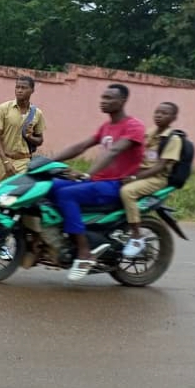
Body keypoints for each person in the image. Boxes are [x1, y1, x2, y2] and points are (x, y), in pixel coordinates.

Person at [49, 83, 145, 281]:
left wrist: (88, 174)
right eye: (103, 97)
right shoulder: (106, 127)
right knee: (50, 185)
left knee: (66, 194)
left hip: (115, 184)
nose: (103, 101)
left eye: (109, 98)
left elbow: (114, 151)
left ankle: (84, 252)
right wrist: (48, 162)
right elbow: (81, 146)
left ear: (122, 101)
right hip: (98, 182)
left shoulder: (133, 126)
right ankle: (62, 237)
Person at [119, 102, 183, 258]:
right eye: (157, 112)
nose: (159, 115)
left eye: (165, 113)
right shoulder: (149, 133)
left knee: (127, 192)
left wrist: (134, 177)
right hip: (140, 173)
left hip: (156, 178)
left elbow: (160, 166)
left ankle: (136, 236)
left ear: (174, 118)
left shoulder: (173, 139)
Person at [0, 76, 45, 190]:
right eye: (17, 87)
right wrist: (5, 161)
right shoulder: (4, 108)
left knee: (21, 194)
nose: (19, 90)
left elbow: (40, 140)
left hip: (24, 161)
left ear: (32, 90)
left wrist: (30, 137)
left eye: (23, 88)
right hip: (3, 158)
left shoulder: (37, 113)